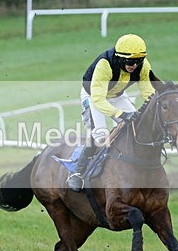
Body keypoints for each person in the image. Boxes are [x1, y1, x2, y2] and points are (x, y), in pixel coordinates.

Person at [66, 33, 157, 192]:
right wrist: (121, 114)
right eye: (130, 61)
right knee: (100, 135)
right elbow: (98, 100)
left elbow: (149, 93)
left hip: (117, 95)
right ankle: (77, 172)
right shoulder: (105, 64)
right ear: (120, 58)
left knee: (137, 127)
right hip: (93, 96)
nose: (135, 65)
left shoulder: (143, 66)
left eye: (139, 60)